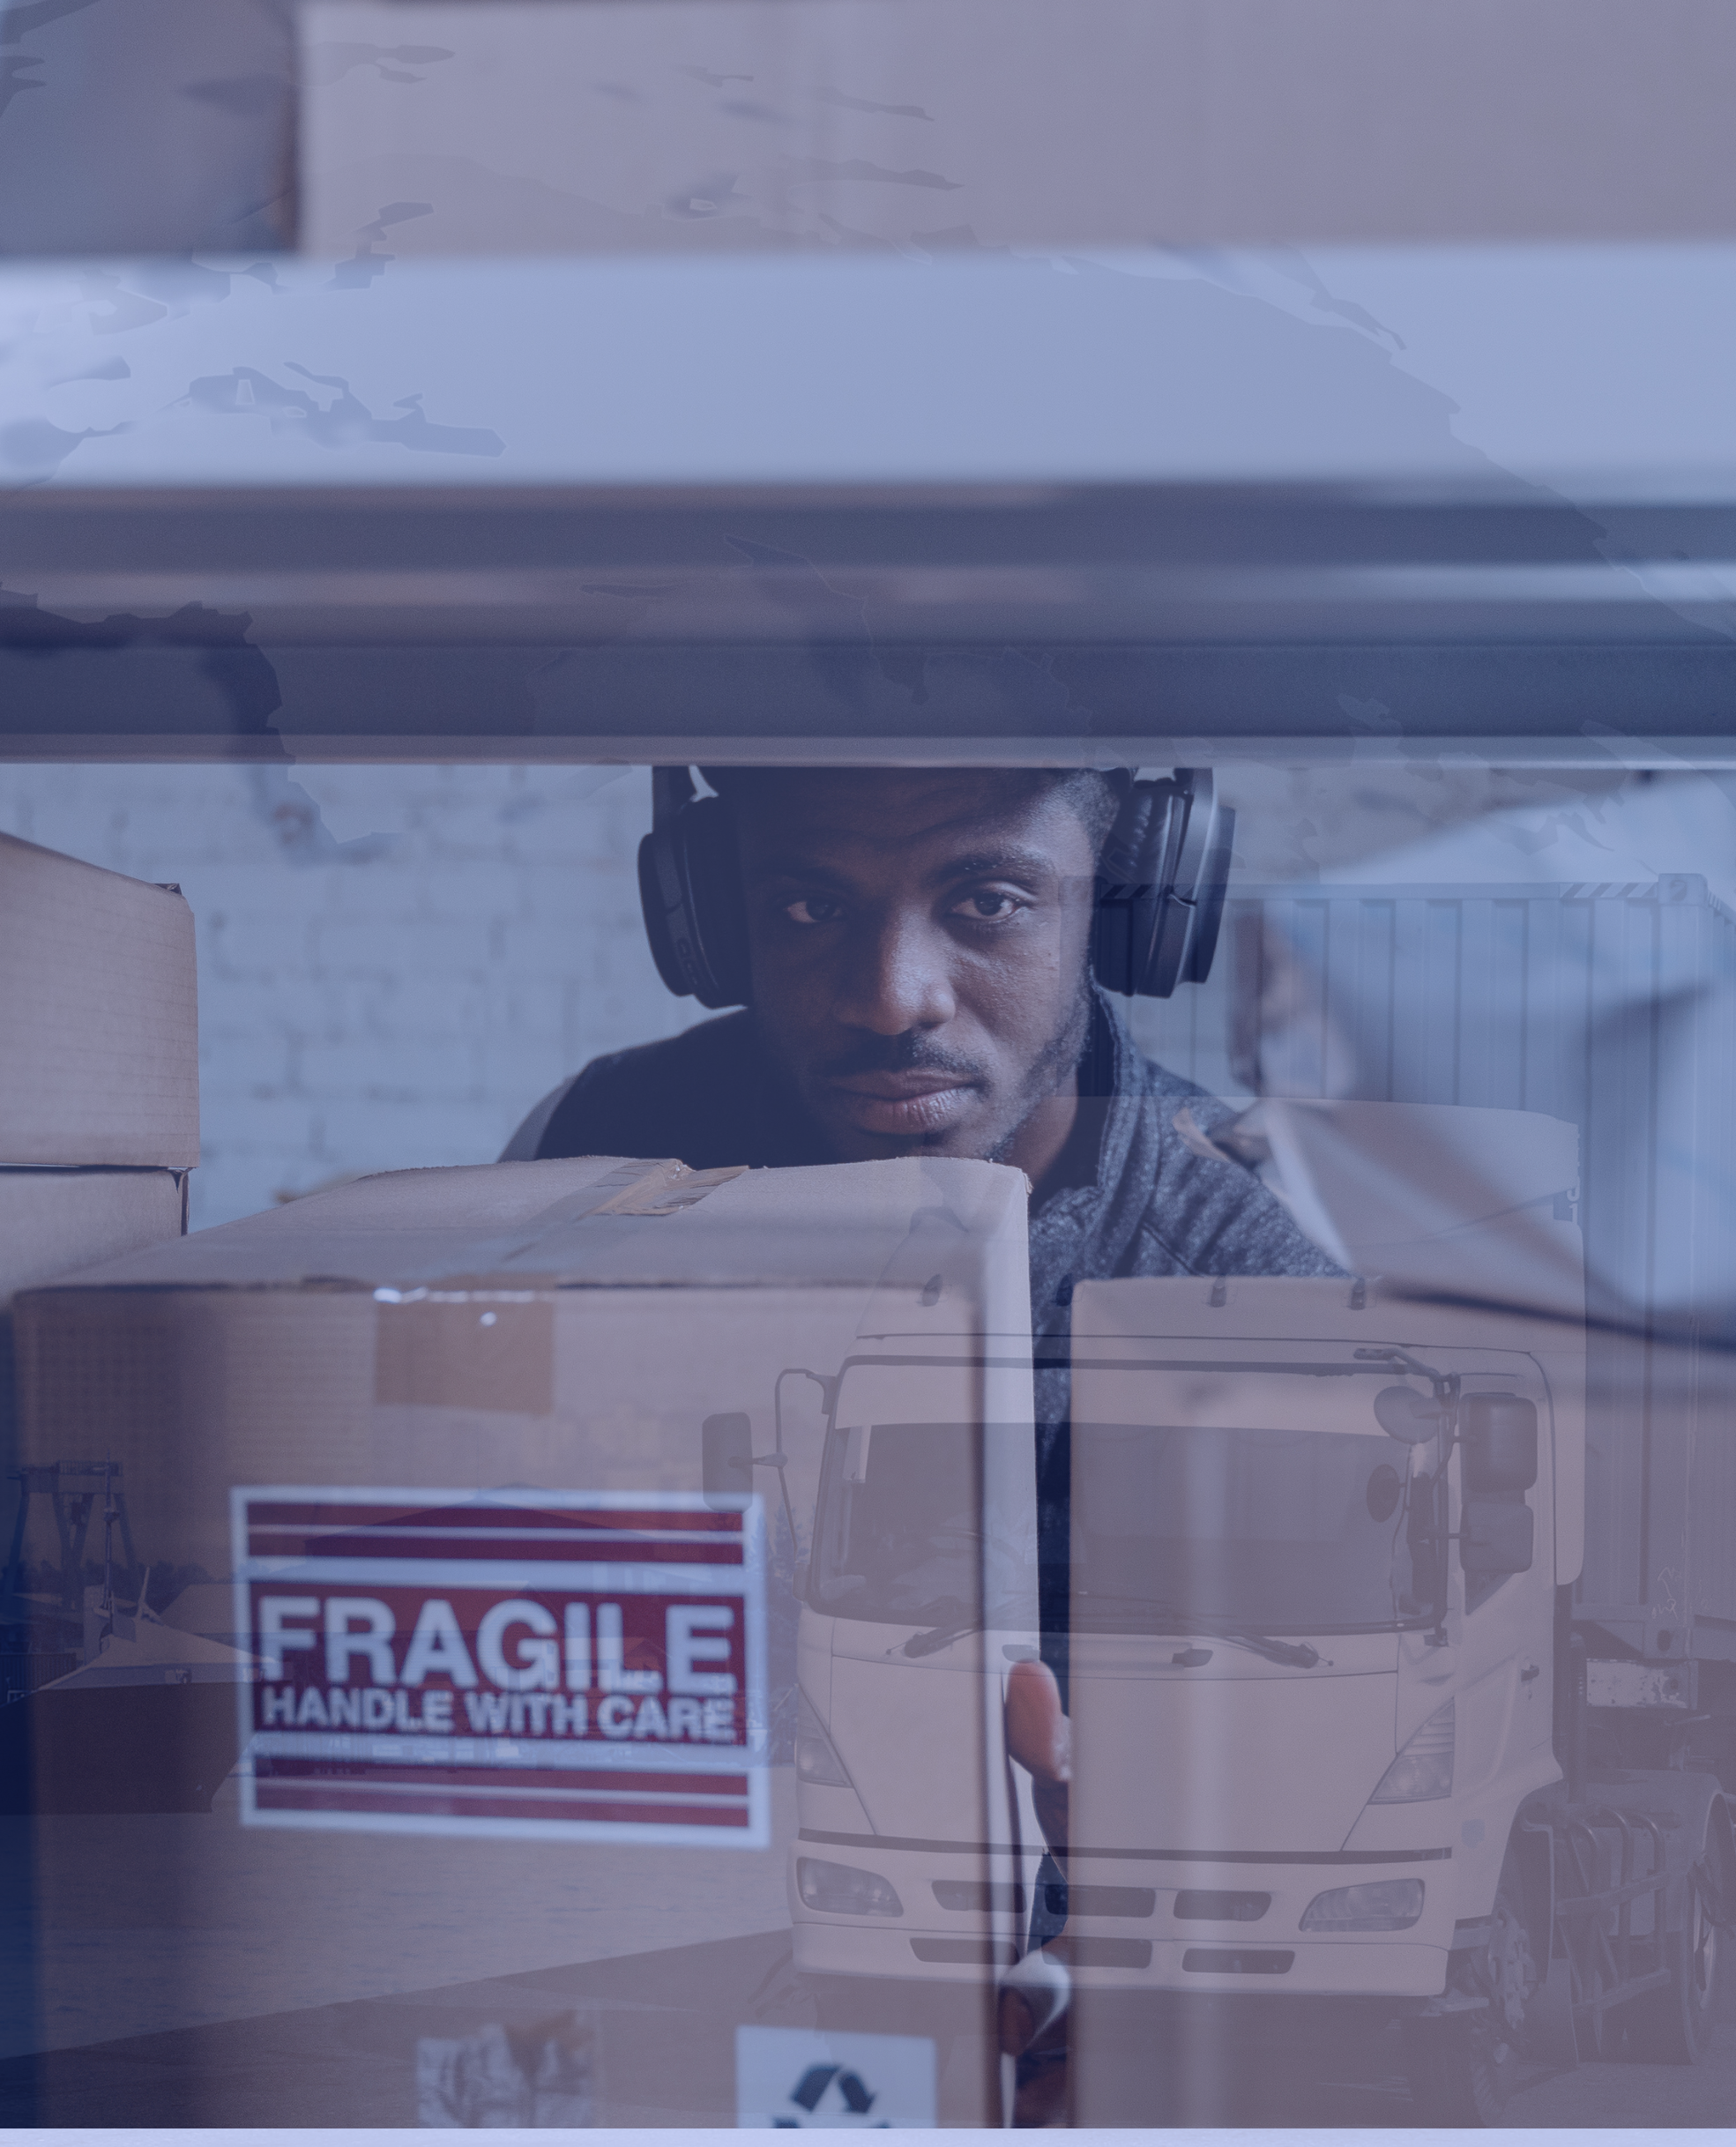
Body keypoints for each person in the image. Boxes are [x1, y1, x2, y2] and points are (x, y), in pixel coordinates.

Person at [506, 764, 1339, 2121]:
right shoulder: (590, 1159)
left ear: (1126, 907)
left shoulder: (1252, 1274)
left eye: (989, 901)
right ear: (711, 918)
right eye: (807, 908)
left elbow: (1318, 1822)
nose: (891, 998)